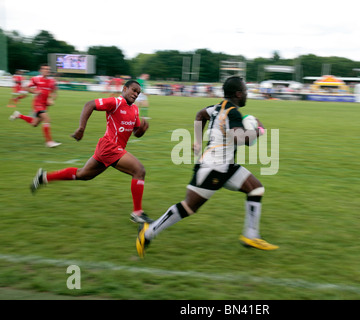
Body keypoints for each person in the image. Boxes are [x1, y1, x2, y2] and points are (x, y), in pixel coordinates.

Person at [136, 76, 278, 258]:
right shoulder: (232, 112)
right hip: (214, 168)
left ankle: (251, 235)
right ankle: (148, 232)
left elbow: (200, 114)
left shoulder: (217, 107)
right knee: (189, 207)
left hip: (226, 166)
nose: (247, 95)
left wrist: (197, 141)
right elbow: (240, 138)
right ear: (238, 93)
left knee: (256, 189)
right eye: (246, 92)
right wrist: (259, 131)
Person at [30, 80, 152, 224]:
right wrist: (81, 128)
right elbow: (89, 104)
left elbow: (136, 133)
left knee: (83, 175)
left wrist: (142, 130)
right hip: (110, 147)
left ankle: (43, 178)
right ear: (124, 89)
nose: (136, 94)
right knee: (139, 171)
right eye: (133, 90)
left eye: (138, 92)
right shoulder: (116, 102)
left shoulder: (135, 109)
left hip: (109, 149)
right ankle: (137, 213)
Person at [9, 64, 60, 148]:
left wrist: (51, 99)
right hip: (38, 104)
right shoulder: (36, 79)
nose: (47, 71)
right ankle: (49, 141)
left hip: (45, 105)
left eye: (48, 69)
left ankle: (18, 115)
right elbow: (26, 87)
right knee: (47, 119)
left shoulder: (52, 81)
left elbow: (54, 92)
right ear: (41, 70)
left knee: (34, 124)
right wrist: (35, 92)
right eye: (45, 69)